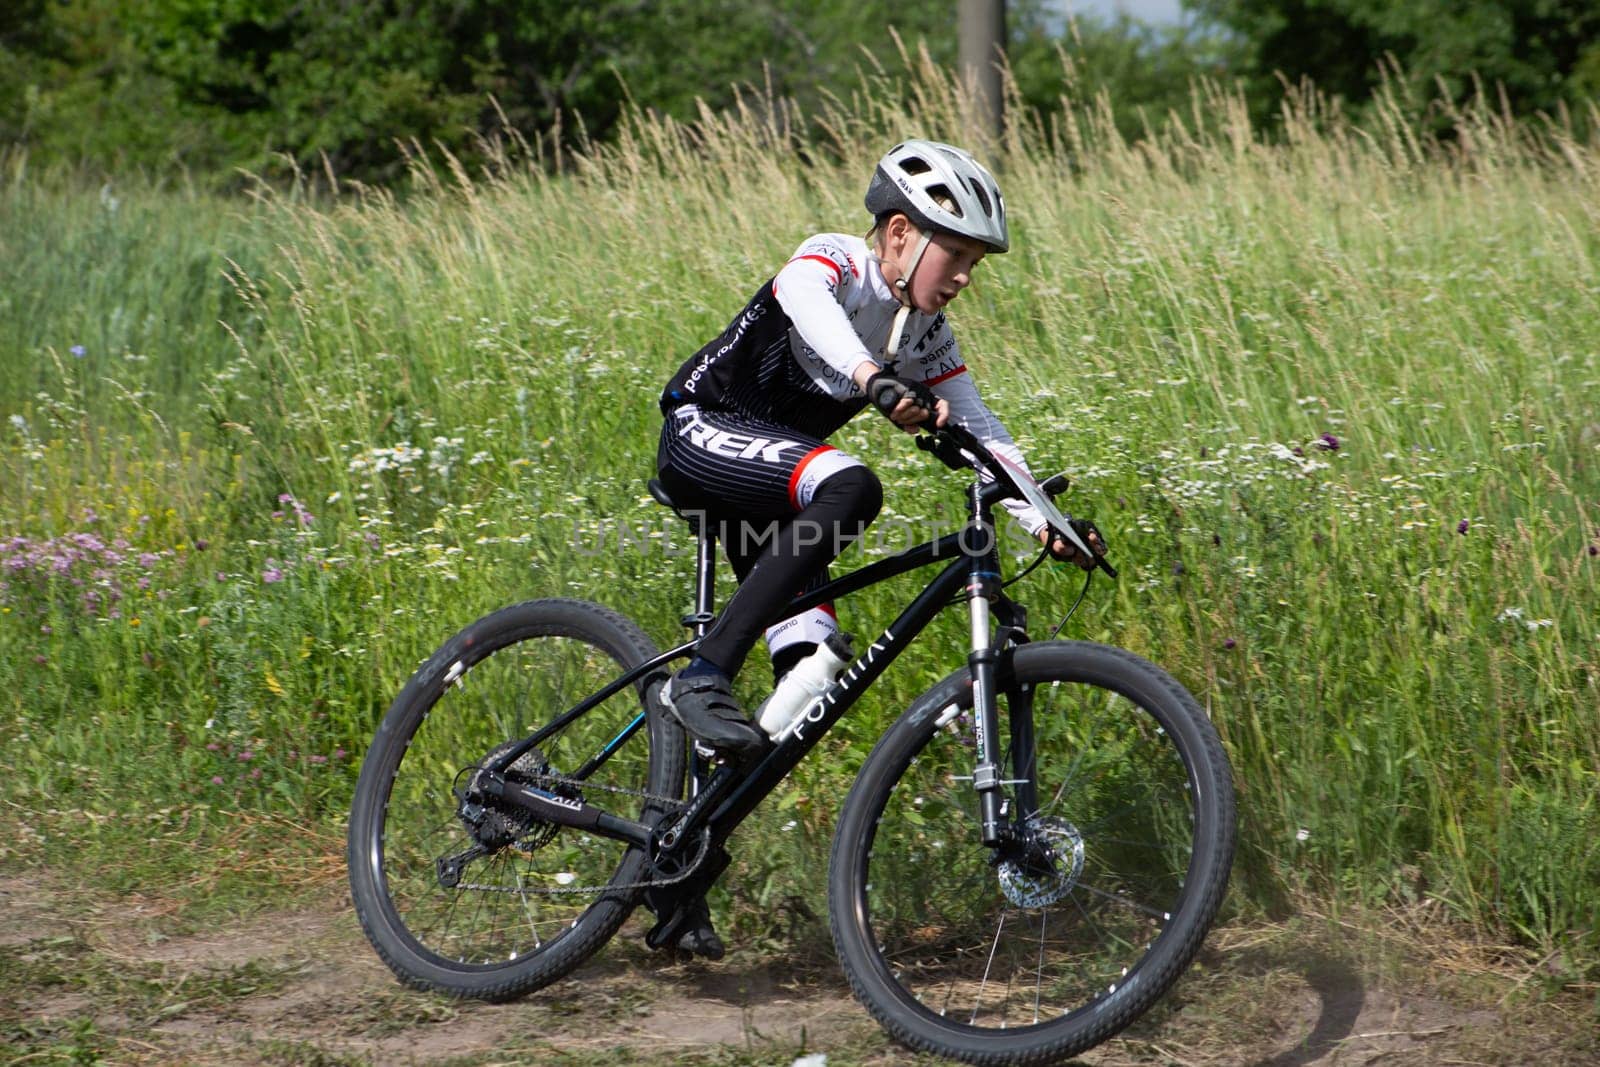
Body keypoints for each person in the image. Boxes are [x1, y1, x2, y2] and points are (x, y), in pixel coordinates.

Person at [648, 140, 1101, 956]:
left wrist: (1044, 520)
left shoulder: (924, 335)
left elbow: (980, 427)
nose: (964, 274)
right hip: (702, 431)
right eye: (954, 253)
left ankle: (683, 848)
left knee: (816, 669)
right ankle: (703, 675)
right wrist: (870, 378)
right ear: (897, 233)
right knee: (854, 485)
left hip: (776, 490)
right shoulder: (839, 262)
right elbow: (802, 298)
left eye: (975, 261)